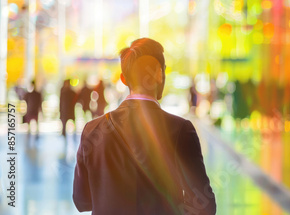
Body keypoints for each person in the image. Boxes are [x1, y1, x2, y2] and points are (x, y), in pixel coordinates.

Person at [73, 38, 216, 215]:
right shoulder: (180, 130)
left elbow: (81, 201)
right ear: (159, 75)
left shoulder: (92, 130)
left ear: (124, 79)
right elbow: (204, 206)